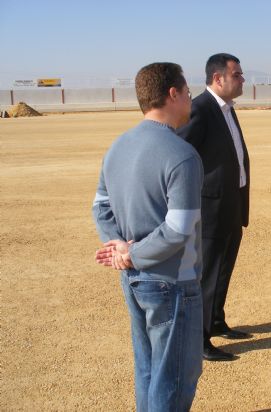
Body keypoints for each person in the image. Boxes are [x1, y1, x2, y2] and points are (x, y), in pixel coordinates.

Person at [92, 62, 203, 411]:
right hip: (172, 280)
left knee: (148, 370)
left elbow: (100, 208)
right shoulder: (182, 155)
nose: (190, 99)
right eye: (187, 92)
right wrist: (132, 254)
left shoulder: (118, 146)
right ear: (173, 94)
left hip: (133, 280)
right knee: (174, 376)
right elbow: (177, 230)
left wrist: (122, 250)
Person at [177, 53, 251, 362]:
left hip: (232, 203)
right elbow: (181, 153)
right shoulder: (202, 109)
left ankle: (217, 321)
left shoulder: (226, 109)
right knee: (208, 273)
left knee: (224, 268)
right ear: (218, 79)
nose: (242, 78)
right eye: (237, 74)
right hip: (211, 208)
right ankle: (201, 339)